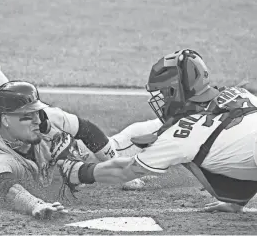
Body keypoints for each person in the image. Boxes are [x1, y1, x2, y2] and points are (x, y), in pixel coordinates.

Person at [0, 0, 160, 219]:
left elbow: (86, 129)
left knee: (5, 93)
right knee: (7, 101)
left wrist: (121, 170)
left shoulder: (43, 120)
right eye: (28, 116)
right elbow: (7, 188)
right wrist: (35, 205)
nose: (37, 119)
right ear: (6, 121)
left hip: (18, 129)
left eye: (37, 112)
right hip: (12, 143)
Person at [57, 48, 257, 213]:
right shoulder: (238, 93)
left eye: (162, 92)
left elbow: (124, 171)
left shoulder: (180, 135)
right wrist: (237, 201)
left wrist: (82, 173)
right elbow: (240, 140)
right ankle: (235, 197)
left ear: (174, 90)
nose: (161, 100)